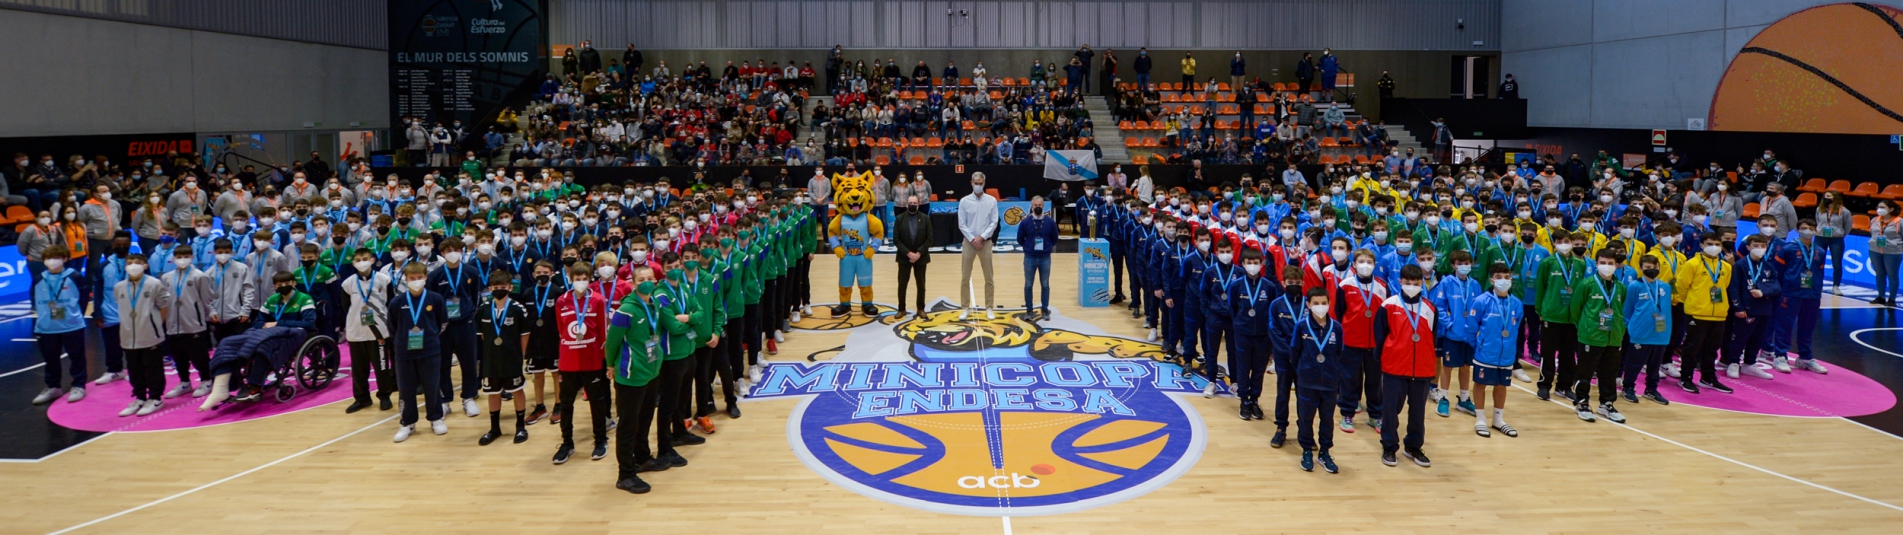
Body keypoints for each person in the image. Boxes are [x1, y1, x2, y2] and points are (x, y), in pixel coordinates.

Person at [604, 265, 682, 494]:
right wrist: (610, 365)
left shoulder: (655, 304)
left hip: (651, 372)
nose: (646, 282)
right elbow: (612, 342)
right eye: (641, 279)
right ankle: (625, 475)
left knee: (645, 419)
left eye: (650, 278)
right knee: (628, 426)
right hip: (631, 375)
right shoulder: (625, 310)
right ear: (633, 282)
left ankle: (642, 457)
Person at [1374, 264, 1436, 468]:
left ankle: (1413, 446)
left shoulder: (1429, 308)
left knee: (1418, 411)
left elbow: (1432, 338)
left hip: (1422, 369)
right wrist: (1383, 360)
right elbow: (1380, 335)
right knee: (1391, 410)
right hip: (1395, 367)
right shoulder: (1388, 305)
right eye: (1407, 282)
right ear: (1400, 282)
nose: (1412, 286)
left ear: (1422, 283)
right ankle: (1389, 447)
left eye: (1416, 283)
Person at [552, 262, 611, 464]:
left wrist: (605, 358)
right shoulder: (561, 301)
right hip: (568, 360)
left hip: (592, 358)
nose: (581, 282)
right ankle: (567, 443)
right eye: (577, 278)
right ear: (571, 279)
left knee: (597, 402)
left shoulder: (598, 300)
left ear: (590, 279)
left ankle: (601, 440)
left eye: (584, 278)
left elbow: (603, 331)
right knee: (566, 403)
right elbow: (561, 329)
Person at [654, 252, 708, 454]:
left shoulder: (684, 288)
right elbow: (673, 328)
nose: (675, 270)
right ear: (663, 270)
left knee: (683, 398)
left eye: (677, 265)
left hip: (688, 350)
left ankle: (680, 432)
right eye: (670, 267)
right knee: (668, 403)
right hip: (671, 355)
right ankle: (665, 445)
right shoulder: (661, 295)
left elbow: (701, 314)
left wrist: (686, 317)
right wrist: (691, 321)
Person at [390, 263, 449, 443]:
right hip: (404, 353)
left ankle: (435, 418)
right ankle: (408, 422)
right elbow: (392, 327)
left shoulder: (435, 299)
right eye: (412, 278)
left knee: (432, 386)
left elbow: (442, 323)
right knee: (406, 389)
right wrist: (402, 341)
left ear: (426, 278)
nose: (416, 281)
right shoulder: (397, 302)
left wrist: (429, 337)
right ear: (406, 280)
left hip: (430, 350)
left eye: (419, 278)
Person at [1332, 248, 1389, 433]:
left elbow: (1384, 316)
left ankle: (1376, 415)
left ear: (1375, 265)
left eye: (1369, 262)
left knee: (1374, 381)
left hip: (1374, 343)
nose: (1365, 265)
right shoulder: (1345, 285)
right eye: (1361, 261)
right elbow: (1339, 313)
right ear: (1354, 264)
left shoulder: (1382, 285)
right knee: (1349, 379)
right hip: (1351, 341)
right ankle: (1347, 413)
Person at [1570, 249, 1628, 423]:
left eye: (1611, 263)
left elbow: (1620, 309)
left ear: (1616, 265)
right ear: (1596, 264)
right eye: (1603, 262)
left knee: (1609, 372)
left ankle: (1606, 404)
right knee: (1585, 371)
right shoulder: (1586, 284)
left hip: (1614, 336)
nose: (1607, 266)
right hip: (1591, 336)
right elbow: (1575, 309)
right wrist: (1585, 327)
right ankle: (1582, 402)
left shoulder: (1621, 287)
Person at [476, 270, 532, 445]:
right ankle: (495, 429)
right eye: (496, 287)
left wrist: (521, 356)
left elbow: (524, 335)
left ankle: (520, 426)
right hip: (491, 359)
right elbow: (483, 336)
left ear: (510, 287)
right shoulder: (483, 310)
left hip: (512, 358)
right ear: (490, 288)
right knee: (493, 393)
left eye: (503, 287)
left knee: (517, 390)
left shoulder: (518, 309)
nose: (499, 290)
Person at [429, 240, 484, 417]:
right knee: (443, 363)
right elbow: (433, 302)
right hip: (444, 326)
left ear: (461, 252)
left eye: (456, 250)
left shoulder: (471, 271)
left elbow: (476, 296)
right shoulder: (435, 276)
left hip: (465, 323)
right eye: (448, 250)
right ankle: (445, 400)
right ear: (442, 253)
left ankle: (469, 397)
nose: (452, 253)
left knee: (468, 362)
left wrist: (470, 316)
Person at [32, 246, 92, 406]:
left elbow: (84, 299)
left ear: (65, 259)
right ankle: (53, 386)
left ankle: (78, 385)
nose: (52, 261)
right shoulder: (39, 278)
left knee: (77, 357)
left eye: (56, 257)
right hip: (46, 327)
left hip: (71, 325)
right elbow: (35, 301)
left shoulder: (75, 276)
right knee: (50, 359)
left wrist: (75, 315)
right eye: (48, 258)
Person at [1675, 234, 1734, 394]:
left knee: (1712, 349)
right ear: (1701, 245)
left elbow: (1725, 285)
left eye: (1717, 243)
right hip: (1697, 313)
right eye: (1709, 243)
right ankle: (1685, 378)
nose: (1713, 246)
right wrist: (1693, 302)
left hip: (1719, 314)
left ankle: (1708, 378)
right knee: (1691, 348)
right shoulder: (1692, 264)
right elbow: (1681, 286)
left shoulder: (1726, 267)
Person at [1293, 286, 1343, 473]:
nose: (1320, 306)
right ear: (1308, 305)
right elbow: (1295, 352)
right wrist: (1304, 372)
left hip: (1330, 383)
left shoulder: (1336, 328)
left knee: (1327, 419)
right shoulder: (1301, 326)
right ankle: (1307, 451)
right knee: (1306, 417)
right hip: (1307, 381)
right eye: (1316, 303)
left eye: (1323, 303)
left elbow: (1339, 353)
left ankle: (1324, 452)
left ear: (1329, 304)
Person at [1469, 263, 1521, 437]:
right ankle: (1480, 418)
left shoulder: (1516, 304)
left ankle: (1498, 419)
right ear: (1492, 280)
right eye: (1499, 277)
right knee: (1481, 384)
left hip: (1506, 355)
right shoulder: (1482, 301)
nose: (1503, 281)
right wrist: (1478, 347)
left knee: (1501, 385)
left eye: (1506, 277)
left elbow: (1516, 327)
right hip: (1485, 354)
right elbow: (1471, 328)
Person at [1771, 219, 1829, 374]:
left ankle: (1805, 357)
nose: (1808, 231)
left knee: (1808, 326)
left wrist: (1818, 290)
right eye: (1804, 228)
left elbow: (1820, 273)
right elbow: (1778, 272)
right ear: (1797, 230)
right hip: (1791, 293)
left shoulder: (1820, 251)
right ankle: (1780, 355)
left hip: (1812, 294)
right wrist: (1781, 291)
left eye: (1811, 228)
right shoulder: (1788, 248)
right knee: (1785, 325)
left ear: (1816, 231)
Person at [1532, 230, 1584, 400]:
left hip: (1571, 317)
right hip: (1551, 315)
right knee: (1548, 352)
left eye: (1566, 240)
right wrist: (1540, 310)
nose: (1564, 243)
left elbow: (1580, 292)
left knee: (1568, 354)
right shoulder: (1548, 263)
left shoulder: (1580, 264)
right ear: (1554, 243)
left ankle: (1564, 386)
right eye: (1559, 240)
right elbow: (1540, 287)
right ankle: (1544, 384)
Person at [1428, 250, 1480, 418]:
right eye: (1460, 264)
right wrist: (1449, 324)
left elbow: (1479, 308)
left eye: (1466, 263)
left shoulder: (1475, 284)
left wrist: (1477, 327)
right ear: (1453, 265)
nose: (1464, 267)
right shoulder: (1447, 283)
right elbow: (1439, 306)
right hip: (1453, 333)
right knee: (1448, 366)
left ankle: (1464, 399)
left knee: (1466, 367)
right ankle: (1443, 397)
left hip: (1470, 334)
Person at [342, 248, 394, 413]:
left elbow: (390, 303)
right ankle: (362, 398)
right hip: (356, 332)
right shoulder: (347, 283)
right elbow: (346, 307)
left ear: (372, 260)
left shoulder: (384, 280)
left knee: (382, 367)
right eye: (358, 259)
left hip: (379, 332)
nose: (361, 262)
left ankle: (384, 396)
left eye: (365, 258)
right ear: (353, 263)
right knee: (358, 369)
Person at [1723, 235, 1780, 382]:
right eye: (1756, 245)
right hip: (1746, 309)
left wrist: (1763, 292)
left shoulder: (1769, 267)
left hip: (1763, 308)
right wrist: (1738, 308)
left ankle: (1749, 363)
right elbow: (1734, 288)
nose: (1759, 249)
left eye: (1762, 246)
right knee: (1740, 337)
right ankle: (1733, 362)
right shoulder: (1740, 265)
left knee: (1757, 338)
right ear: (1748, 247)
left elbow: (1776, 286)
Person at [161, 246, 216, 399]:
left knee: (198, 355)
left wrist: (208, 318)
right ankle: (184, 381)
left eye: (186, 255)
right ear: (173, 258)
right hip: (173, 323)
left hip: (194, 323)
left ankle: (206, 380)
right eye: (179, 256)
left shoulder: (199, 276)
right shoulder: (166, 277)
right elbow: (164, 301)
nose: (182, 258)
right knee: (178, 356)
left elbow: (207, 299)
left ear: (192, 257)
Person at [1622, 254, 1674, 406]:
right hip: (1640, 333)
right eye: (1648, 268)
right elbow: (1627, 311)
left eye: (1654, 267)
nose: (1652, 270)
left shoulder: (1665, 287)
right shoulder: (1634, 286)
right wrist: (1630, 329)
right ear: (1641, 269)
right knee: (1634, 363)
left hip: (1661, 332)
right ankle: (1628, 387)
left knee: (1655, 365)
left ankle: (1651, 389)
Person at [1261, 265, 1304, 444]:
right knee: (1282, 392)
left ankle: (1305, 430)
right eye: (1290, 282)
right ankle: (1281, 427)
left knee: (1304, 395)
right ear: (1283, 283)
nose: (1294, 285)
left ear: (1303, 283)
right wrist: (1288, 352)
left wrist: (1301, 353)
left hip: (1304, 358)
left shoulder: (1309, 303)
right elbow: (1274, 331)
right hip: (1284, 357)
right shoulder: (1276, 304)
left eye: (1297, 283)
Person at [957, 172, 999, 319]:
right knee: (965, 277)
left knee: (989, 277)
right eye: (976, 183)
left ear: (984, 183)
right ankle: (965, 308)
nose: (978, 185)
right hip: (968, 243)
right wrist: (972, 239)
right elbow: (961, 224)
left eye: (981, 183)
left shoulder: (992, 201)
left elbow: (994, 222)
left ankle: (989, 307)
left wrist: (981, 237)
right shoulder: (964, 201)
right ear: (971, 183)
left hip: (985, 243)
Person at [893, 194, 932, 317]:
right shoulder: (899, 219)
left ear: (918, 205)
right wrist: (908, 253)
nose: (912, 205)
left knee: (921, 285)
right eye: (910, 203)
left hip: (921, 257)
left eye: (915, 203)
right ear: (906, 204)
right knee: (902, 284)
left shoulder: (925, 218)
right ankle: (901, 309)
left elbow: (929, 239)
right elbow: (896, 239)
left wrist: (919, 253)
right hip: (904, 257)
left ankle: (921, 308)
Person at [1020, 196, 1058, 320]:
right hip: (1030, 257)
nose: (1037, 207)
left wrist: (1046, 248)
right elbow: (1020, 238)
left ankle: (1045, 309)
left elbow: (1055, 238)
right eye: (1035, 205)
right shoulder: (1025, 222)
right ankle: (1029, 310)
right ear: (1032, 206)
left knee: (1045, 285)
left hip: (1045, 257)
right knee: (1028, 285)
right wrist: (1028, 247)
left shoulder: (1050, 222)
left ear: (1043, 206)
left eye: (1040, 205)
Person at [1814, 193, 1852, 293]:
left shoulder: (1844, 211)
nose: (1826, 198)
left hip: (1836, 239)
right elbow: (1818, 221)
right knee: (1817, 262)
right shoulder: (1819, 209)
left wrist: (1840, 234)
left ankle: (1836, 286)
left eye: (1829, 196)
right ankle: (1818, 284)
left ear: (1836, 198)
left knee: (1837, 264)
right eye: (1825, 196)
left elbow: (1847, 226)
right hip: (1820, 237)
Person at [1870, 200, 1902, 305]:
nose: (1879, 209)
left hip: (1892, 252)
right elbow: (1872, 233)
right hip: (1875, 250)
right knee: (1879, 274)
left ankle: (1892, 299)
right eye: (1878, 206)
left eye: (1882, 207)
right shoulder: (1875, 220)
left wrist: (1897, 246)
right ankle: (1881, 296)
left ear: (1891, 209)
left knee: (1892, 275)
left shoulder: (1900, 222)